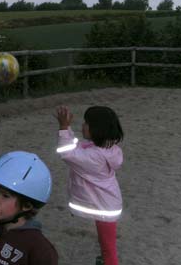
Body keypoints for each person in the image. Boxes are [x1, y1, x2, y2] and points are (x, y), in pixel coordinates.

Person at [55, 106, 123, 265]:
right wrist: (68, 130)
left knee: (109, 249)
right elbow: (76, 147)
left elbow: (66, 152)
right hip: (107, 202)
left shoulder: (93, 156)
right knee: (105, 242)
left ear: (97, 129)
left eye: (87, 123)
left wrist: (64, 128)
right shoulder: (107, 147)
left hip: (104, 206)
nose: (83, 125)